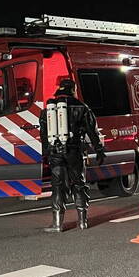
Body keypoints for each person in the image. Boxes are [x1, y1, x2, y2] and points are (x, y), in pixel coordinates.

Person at [39, 78, 106, 233]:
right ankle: (82, 222)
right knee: (79, 183)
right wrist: (99, 150)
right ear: (73, 90)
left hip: (55, 152)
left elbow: (43, 135)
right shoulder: (82, 107)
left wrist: (46, 153)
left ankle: (57, 224)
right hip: (74, 151)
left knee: (57, 187)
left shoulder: (49, 109)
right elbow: (92, 131)